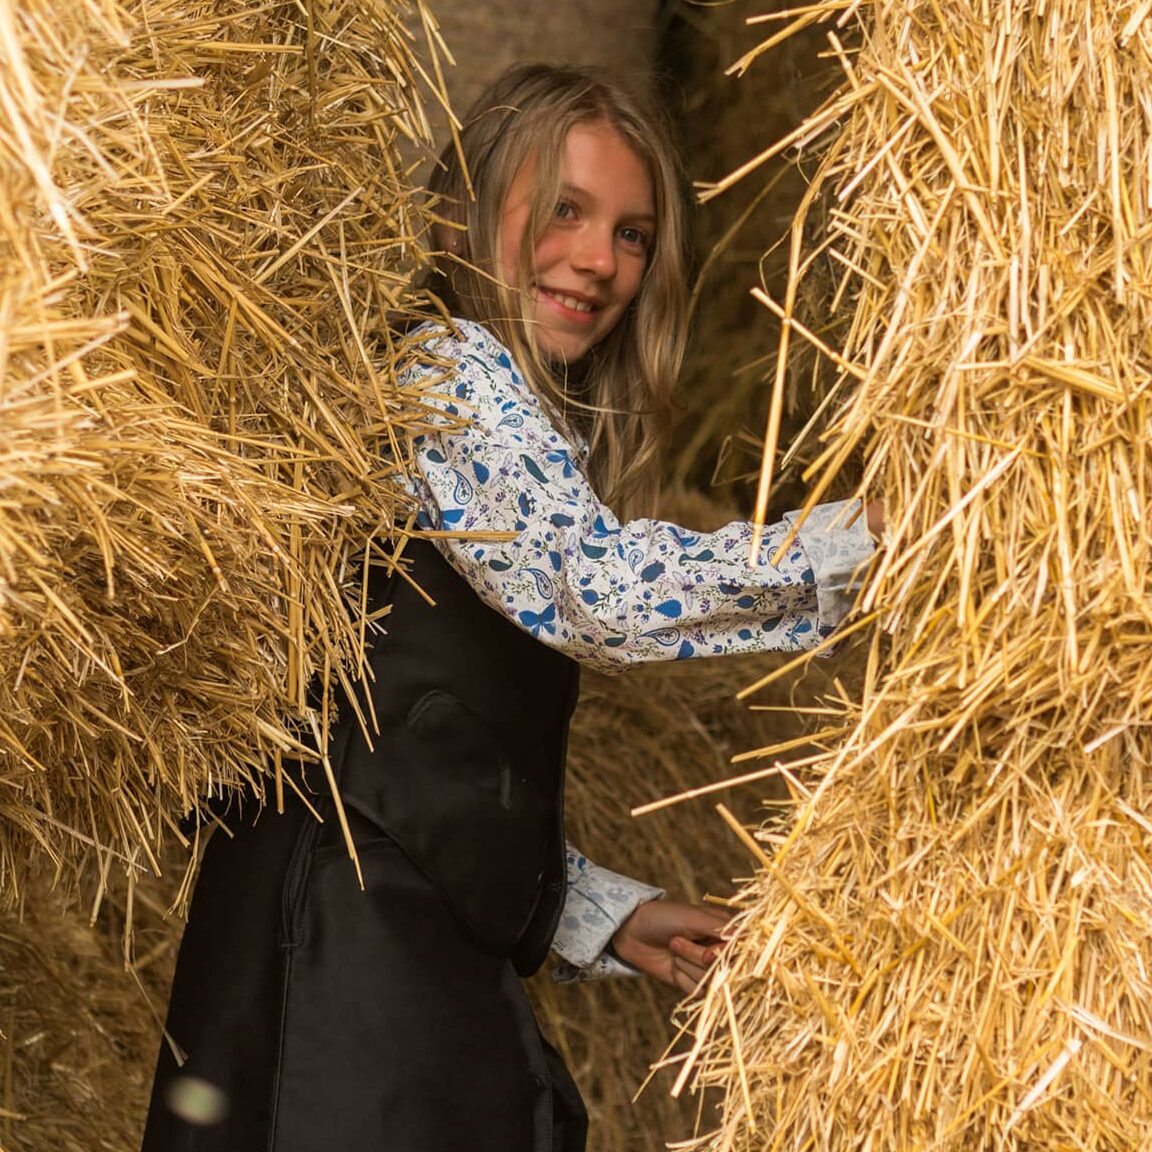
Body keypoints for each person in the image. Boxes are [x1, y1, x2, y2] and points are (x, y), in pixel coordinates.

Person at [142, 63, 879, 1152]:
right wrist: (875, 541)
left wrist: (597, 912)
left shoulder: (513, 422)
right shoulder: (444, 370)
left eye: (633, 234)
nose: (600, 261)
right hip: (336, 959)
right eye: (566, 211)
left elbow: (413, 749)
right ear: (466, 212)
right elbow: (600, 592)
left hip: (376, 943)